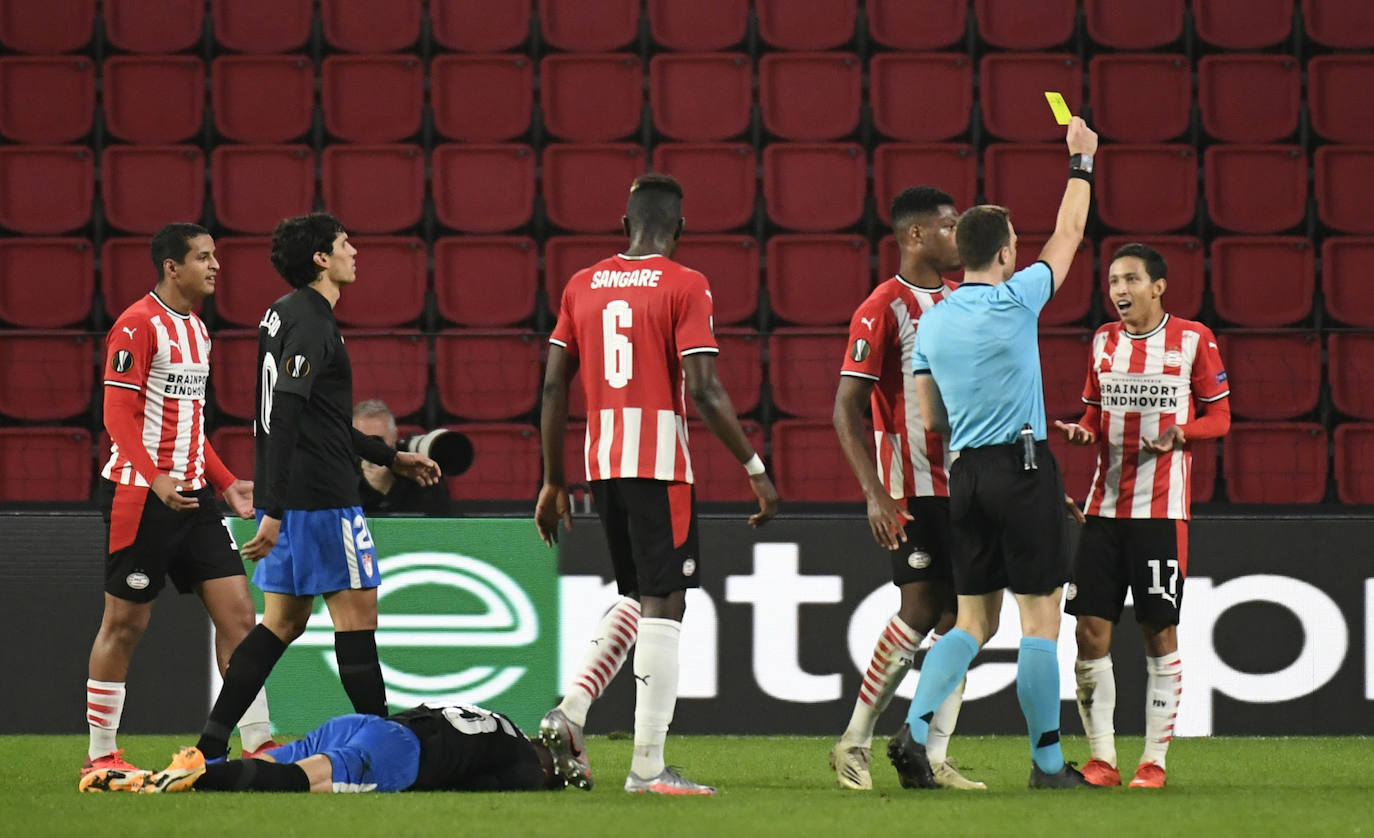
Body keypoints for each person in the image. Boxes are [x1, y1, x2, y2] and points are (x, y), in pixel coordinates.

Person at [534, 173, 779, 796]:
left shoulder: (581, 284)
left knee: (639, 594)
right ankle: (647, 767)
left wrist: (553, 480)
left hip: (602, 462)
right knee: (666, 602)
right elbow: (705, 389)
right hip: (659, 462)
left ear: (625, 225)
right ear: (681, 229)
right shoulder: (685, 284)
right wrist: (755, 468)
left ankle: (571, 711)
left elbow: (554, 385)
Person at [886, 116, 1099, 791]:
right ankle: (1046, 765)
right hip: (1022, 464)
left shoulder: (933, 323)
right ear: (1005, 254)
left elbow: (930, 418)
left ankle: (914, 729)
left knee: (974, 620)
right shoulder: (1017, 297)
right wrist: (1081, 161)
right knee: (1039, 620)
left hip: (967, 474)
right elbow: (1069, 232)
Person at [190, 212, 441, 763]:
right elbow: (285, 413)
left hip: (296, 494)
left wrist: (389, 456)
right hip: (323, 499)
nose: (355, 252)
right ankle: (387, 747)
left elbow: (316, 418)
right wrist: (274, 510)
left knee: (281, 624)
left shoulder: (281, 314)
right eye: (346, 243)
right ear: (321, 259)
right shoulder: (313, 323)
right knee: (357, 622)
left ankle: (209, 746)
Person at [83, 223, 276, 778]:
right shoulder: (137, 325)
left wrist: (225, 481)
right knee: (124, 624)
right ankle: (100, 755)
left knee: (240, 617)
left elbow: (190, 423)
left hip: (193, 497)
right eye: (203, 257)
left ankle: (258, 744)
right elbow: (116, 414)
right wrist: (155, 478)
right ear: (172, 267)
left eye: (215, 256)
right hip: (139, 496)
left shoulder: (197, 330)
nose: (215, 266)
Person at [1056, 243, 1231, 789]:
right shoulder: (1103, 341)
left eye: (1131, 279)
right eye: (1113, 281)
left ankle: (1153, 761)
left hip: (1161, 512)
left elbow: (1221, 417)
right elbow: (1093, 413)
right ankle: (1102, 760)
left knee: (1159, 630)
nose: (1119, 290)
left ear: (1158, 287)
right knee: (1089, 631)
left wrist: (1184, 432)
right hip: (1102, 510)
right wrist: (1083, 431)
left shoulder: (1194, 339)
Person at [829, 186, 983, 791]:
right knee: (919, 610)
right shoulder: (882, 307)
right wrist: (875, 492)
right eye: (948, 226)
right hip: (911, 486)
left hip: (966, 484)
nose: (958, 236)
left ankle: (931, 754)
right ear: (916, 235)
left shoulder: (963, 299)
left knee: (961, 619)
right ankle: (854, 741)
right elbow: (846, 408)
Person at [79, 703, 565, 794]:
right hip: (399, 755)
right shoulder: (526, 764)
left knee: (269, 761)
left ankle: (147, 777)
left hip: (367, 725)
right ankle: (200, 777)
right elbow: (487, 784)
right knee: (303, 782)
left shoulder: (500, 721)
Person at [353, 399, 453, 515]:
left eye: (377, 440)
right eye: (362, 442)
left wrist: (390, 487)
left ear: (394, 435)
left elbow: (440, 515)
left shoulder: (416, 466)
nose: (371, 448)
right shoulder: (342, 466)